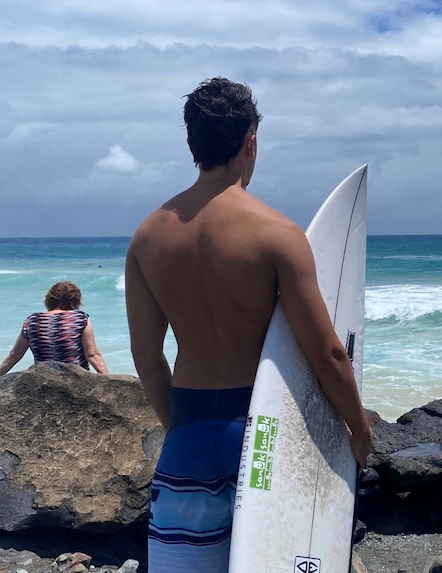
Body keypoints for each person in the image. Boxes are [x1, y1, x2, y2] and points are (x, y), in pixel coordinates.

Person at [125, 77, 374, 573]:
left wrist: (179, 430)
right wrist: (359, 427)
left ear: (192, 143)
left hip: (189, 430)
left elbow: (148, 359)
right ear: (250, 141)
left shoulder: (147, 238)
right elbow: (326, 354)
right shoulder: (277, 234)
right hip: (265, 433)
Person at [0, 281, 108, 375]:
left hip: (43, 382)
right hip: (76, 381)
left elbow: (14, 355)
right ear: (75, 301)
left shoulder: (32, 320)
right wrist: (110, 380)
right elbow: (92, 354)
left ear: (49, 300)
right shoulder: (80, 319)